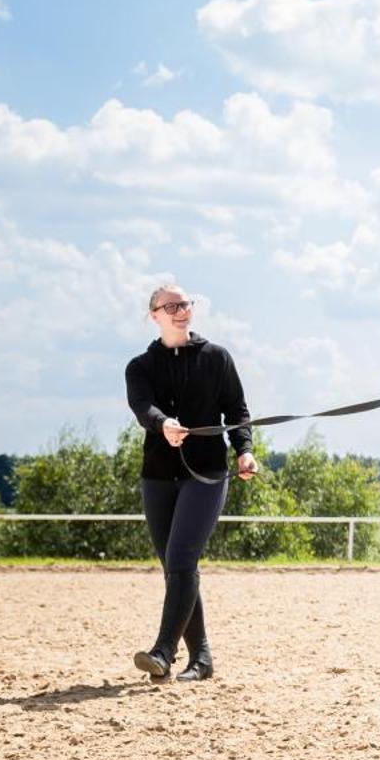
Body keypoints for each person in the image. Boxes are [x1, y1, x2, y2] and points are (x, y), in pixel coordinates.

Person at [124, 286, 256, 681]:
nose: (181, 311)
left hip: (207, 475)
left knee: (181, 559)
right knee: (176, 568)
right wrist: (162, 423)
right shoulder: (140, 366)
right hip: (158, 477)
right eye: (172, 306)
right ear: (155, 315)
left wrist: (244, 450)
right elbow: (142, 406)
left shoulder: (216, 358)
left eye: (185, 305)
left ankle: (163, 652)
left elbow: (237, 409)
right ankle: (202, 657)